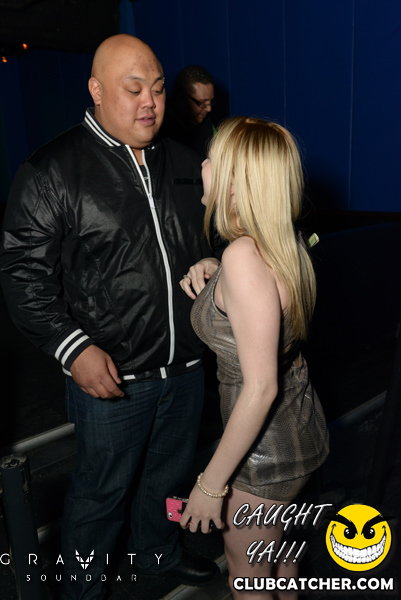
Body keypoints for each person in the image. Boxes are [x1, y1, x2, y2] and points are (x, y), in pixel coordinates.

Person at [0, 34, 221, 599]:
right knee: (101, 494)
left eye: (158, 89)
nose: (150, 102)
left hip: (187, 367)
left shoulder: (186, 160)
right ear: (96, 91)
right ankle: (83, 589)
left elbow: (214, 235)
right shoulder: (53, 170)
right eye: (133, 88)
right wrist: (72, 348)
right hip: (113, 378)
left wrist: (215, 259)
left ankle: (158, 552)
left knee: (171, 481)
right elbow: (22, 273)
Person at [179, 117, 329, 599]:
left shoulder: (244, 258)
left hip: (264, 456)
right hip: (299, 430)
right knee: (282, 568)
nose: (202, 166)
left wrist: (210, 486)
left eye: (211, 159)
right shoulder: (279, 242)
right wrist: (216, 269)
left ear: (233, 181)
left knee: (247, 580)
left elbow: (260, 387)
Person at [160, 65, 216, 160]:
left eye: (211, 102)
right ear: (182, 98)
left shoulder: (208, 126)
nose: (209, 109)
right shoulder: (160, 128)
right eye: (202, 103)